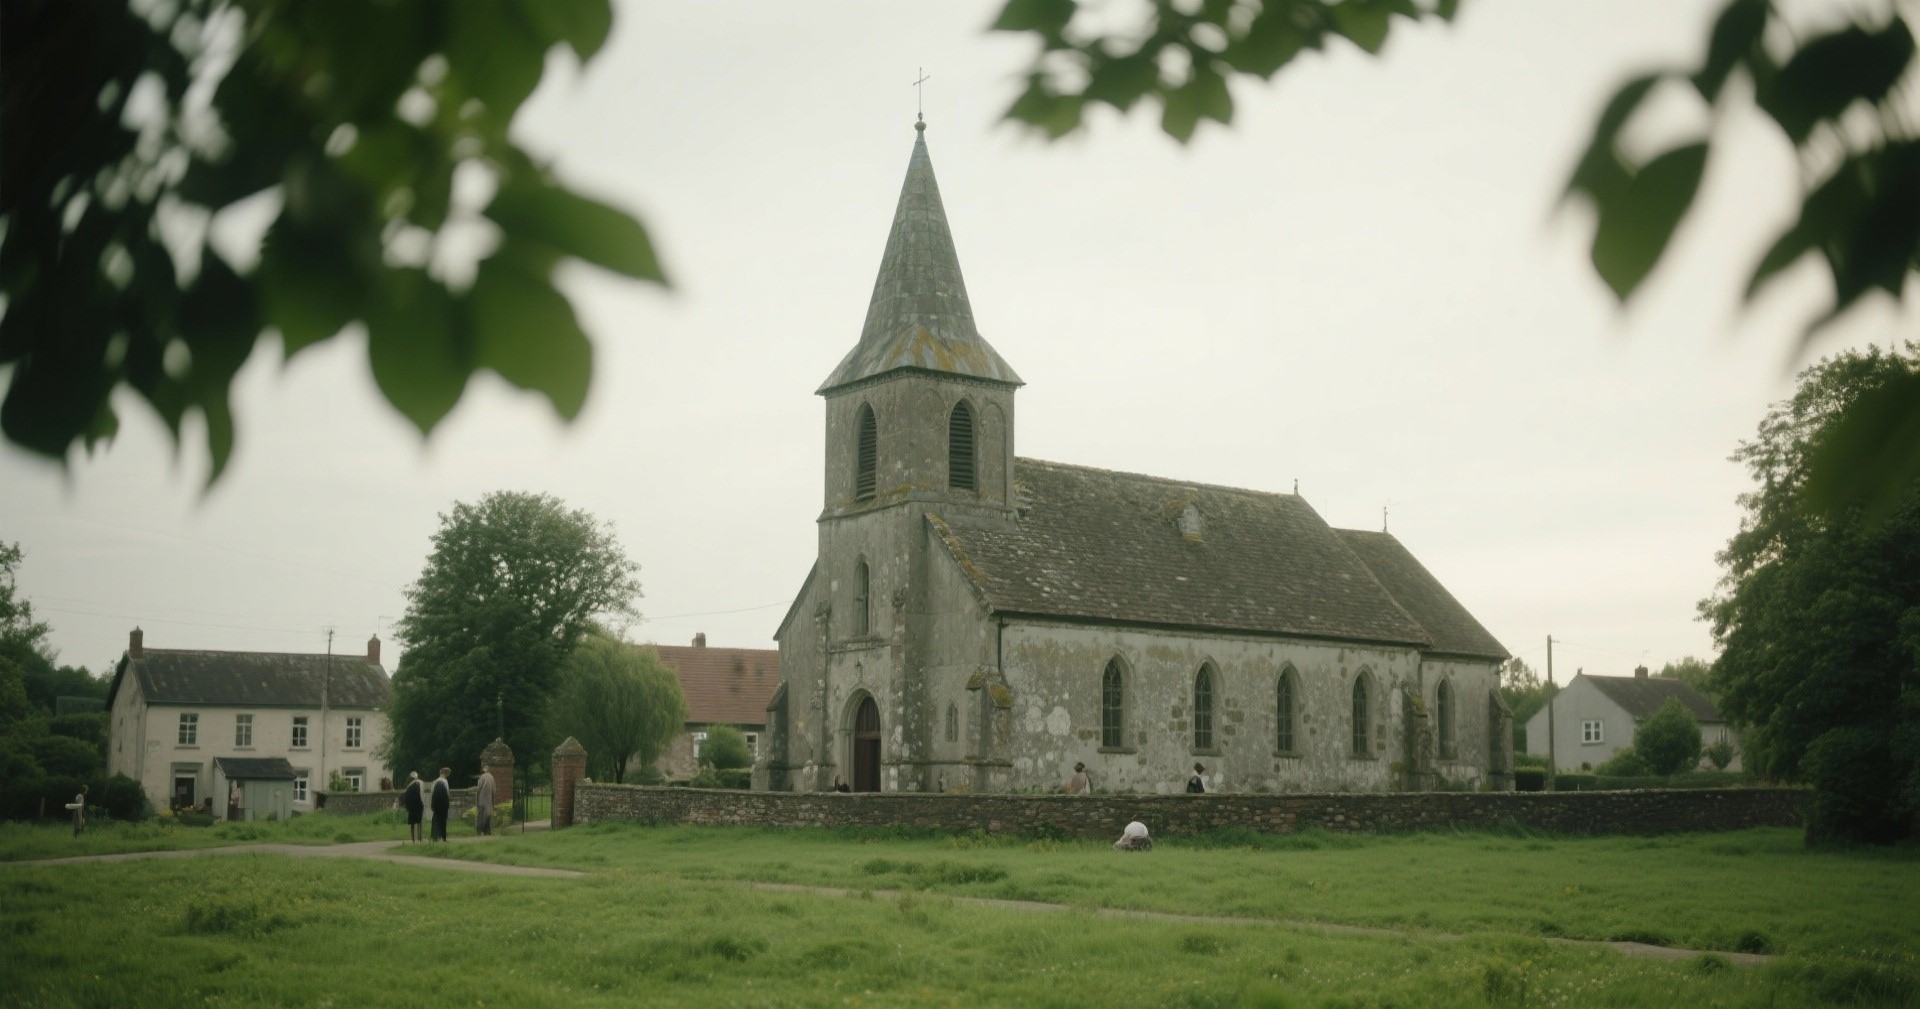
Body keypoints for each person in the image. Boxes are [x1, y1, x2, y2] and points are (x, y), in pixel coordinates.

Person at [400, 771, 425, 843]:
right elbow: (422, 794)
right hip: (419, 805)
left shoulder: (409, 786)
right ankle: (420, 838)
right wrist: (422, 803)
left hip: (411, 807)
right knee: (419, 821)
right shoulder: (421, 783)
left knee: (412, 823)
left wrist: (407, 807)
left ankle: (413, 838)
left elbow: (406, 797)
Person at [429, 767, 451, 842]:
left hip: (436, 803)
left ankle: (435, 835)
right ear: (446, 774)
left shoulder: (435, 782)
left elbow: (432, 793)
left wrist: (431, 803)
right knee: (443, 820)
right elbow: (447, 793)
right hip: (443, 804)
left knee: (435, 819)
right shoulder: (445, 781)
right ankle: (443, 836)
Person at [475, 767, 496, 836]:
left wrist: (477, 798)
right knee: (488, 815)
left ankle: (480, 830)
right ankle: (487, 831)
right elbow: (494, 790)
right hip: (489, 800)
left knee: (481, 816)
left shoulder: (482, 777)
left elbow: (478, 789)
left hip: (482, 799)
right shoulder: (491, 778)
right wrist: (493, 800)